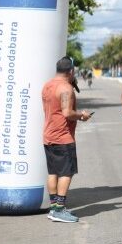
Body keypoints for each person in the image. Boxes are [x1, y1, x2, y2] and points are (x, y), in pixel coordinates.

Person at [42, 57, 92, 223]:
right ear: (70, 71)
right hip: (63, 137)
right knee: (66, 172)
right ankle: (59, 209)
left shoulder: (47, 85)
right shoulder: (66, 88)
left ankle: (53, 207)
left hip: (48, 135)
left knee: (53, 172)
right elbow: (67, 113)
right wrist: (82, 116)